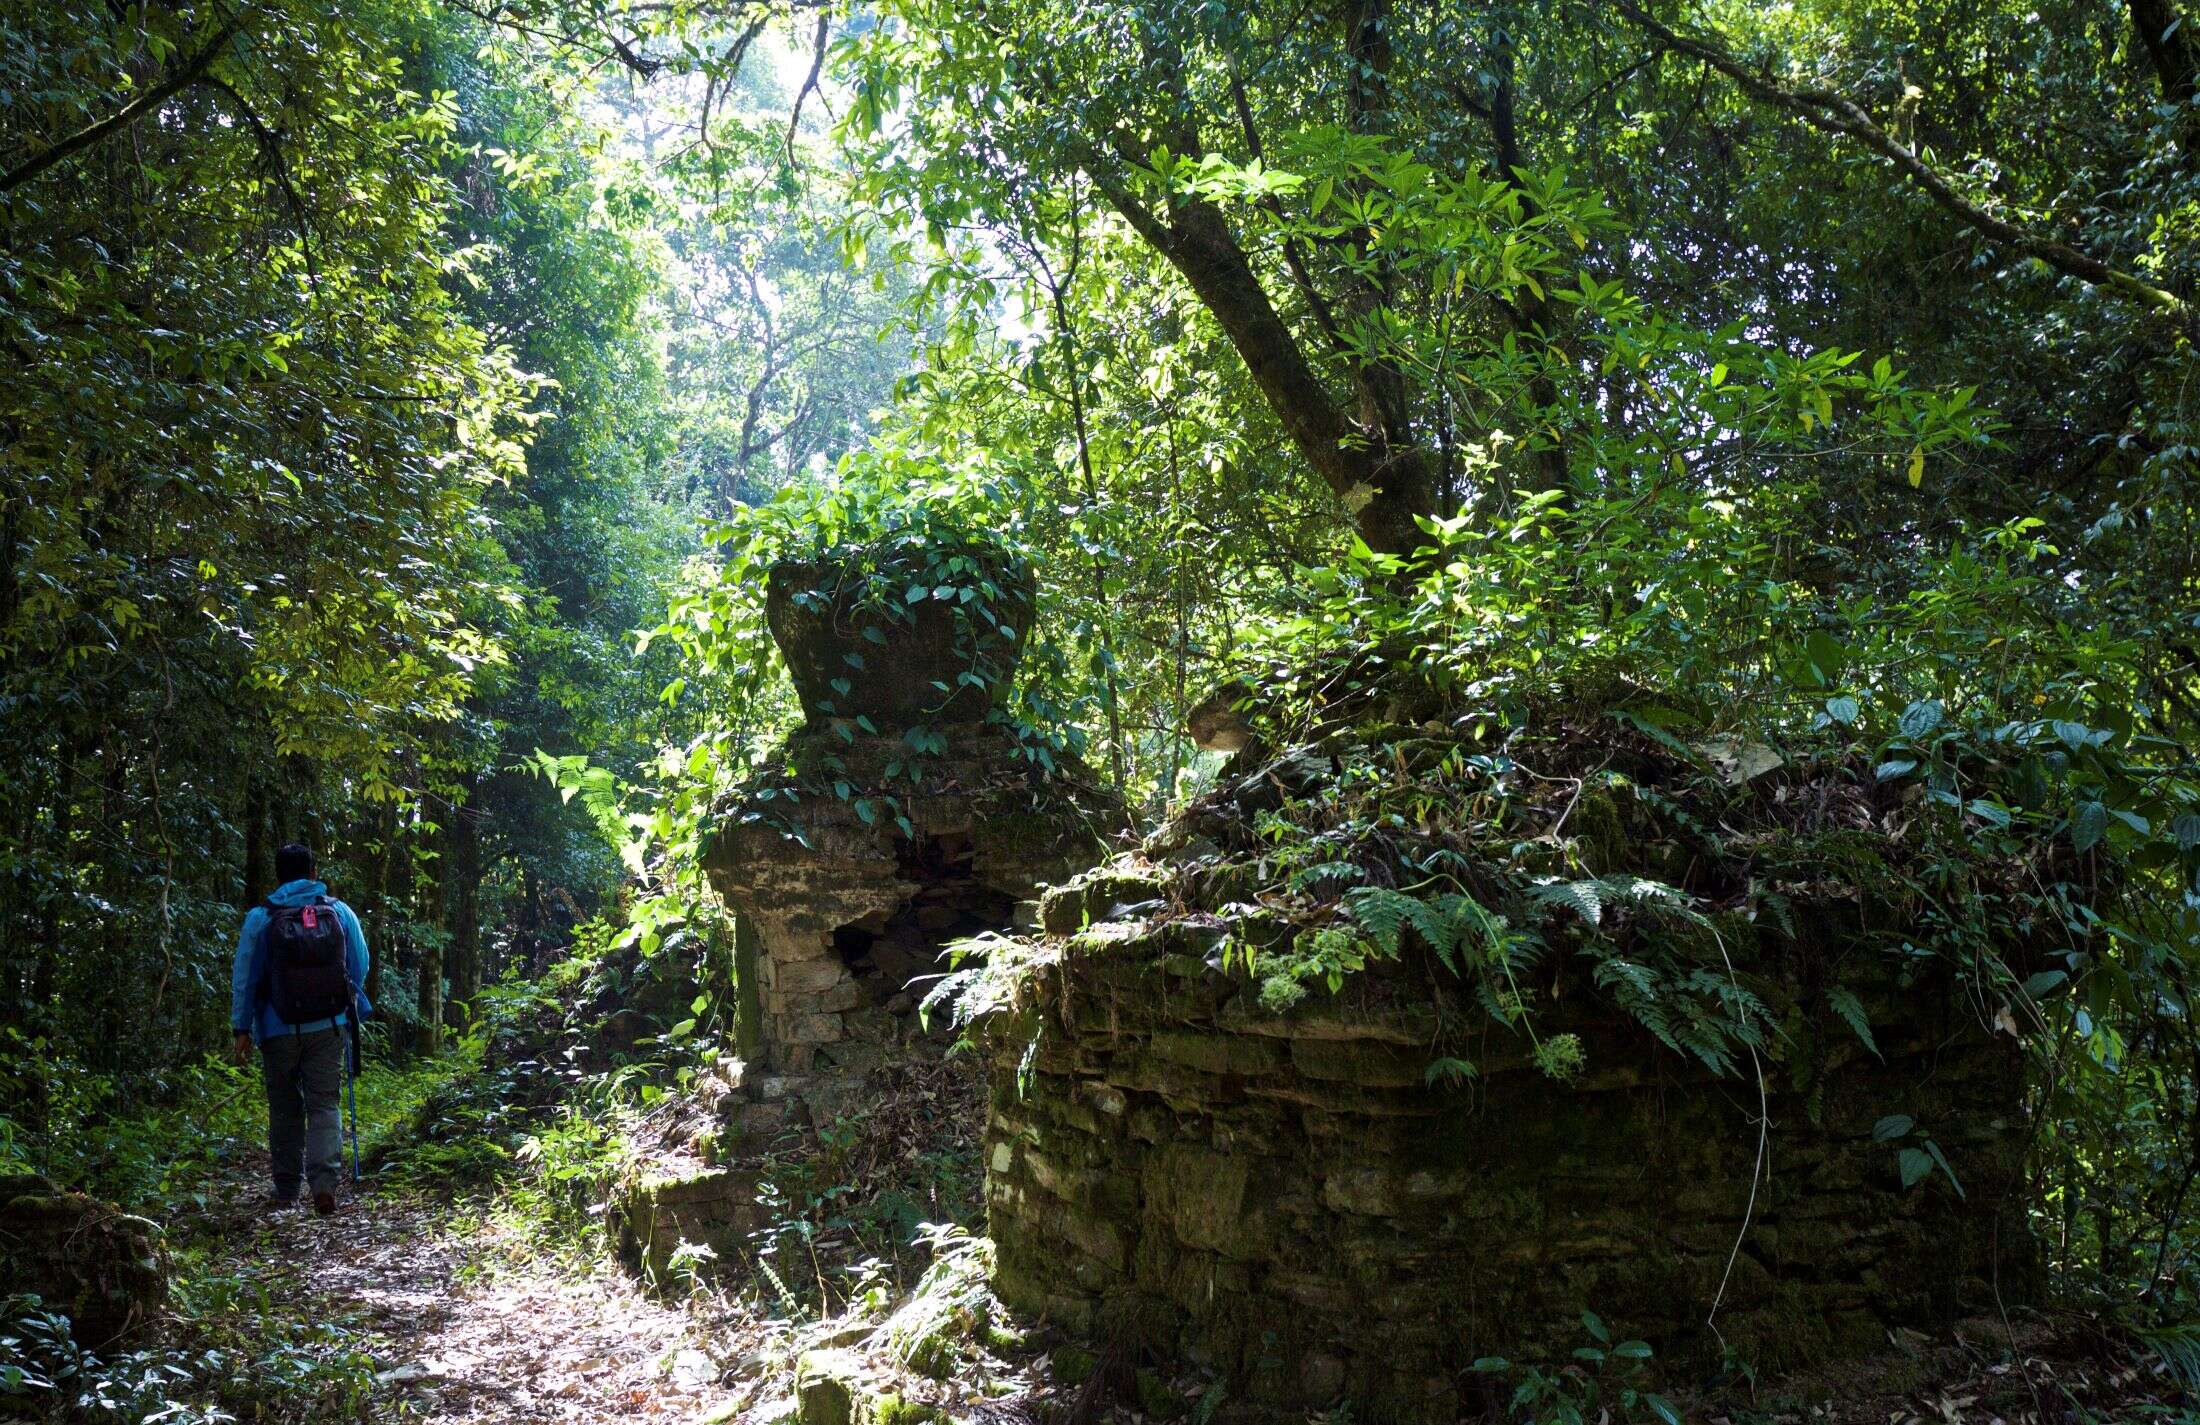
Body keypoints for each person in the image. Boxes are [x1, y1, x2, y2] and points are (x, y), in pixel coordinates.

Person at [229, 842, 371, 1215]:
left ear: (278, 875)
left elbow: (245, 976)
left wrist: (241, 1028)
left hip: (276, 1027)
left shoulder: (261, 917)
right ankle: (324, 1186)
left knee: (284, 1107)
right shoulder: (339, 912)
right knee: (325, 1103)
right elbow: (360, 964)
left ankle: (287, 1190)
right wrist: (346, 1002)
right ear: (313, 872)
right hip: (328, 1024)